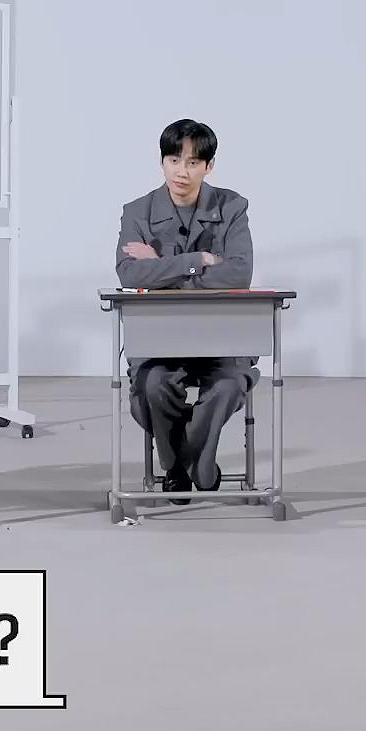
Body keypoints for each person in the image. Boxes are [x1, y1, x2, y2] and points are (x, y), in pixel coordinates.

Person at [115, 119, 256, 501]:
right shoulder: (137, 212)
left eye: (193, 162)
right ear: (162, 162)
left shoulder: (232, 207)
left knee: (229, 385)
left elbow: (239, 273)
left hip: (222, 338)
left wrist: (162, 267)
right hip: (159, 340)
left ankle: (184, 465)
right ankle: (192, 465)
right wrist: (199, 260)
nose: (182, 171)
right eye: (174, 160)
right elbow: (129, 273)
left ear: (209, 166)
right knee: (152, 387)